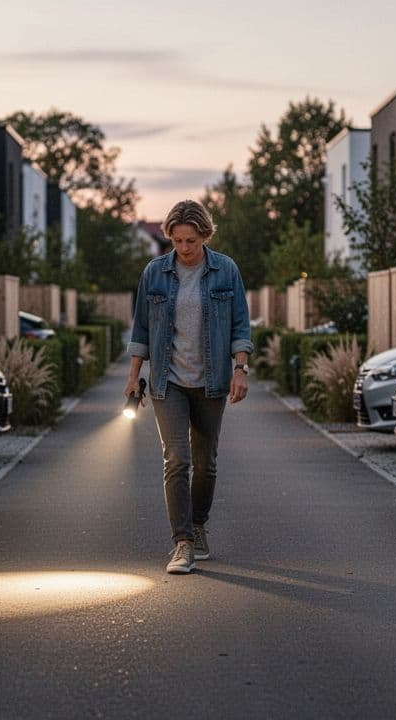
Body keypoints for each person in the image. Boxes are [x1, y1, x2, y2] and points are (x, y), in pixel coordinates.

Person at [126, 199, 253, 575]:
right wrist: (133, 377)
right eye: (177, 241)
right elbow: (141, 331)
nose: (183, 249)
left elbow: (240, 326)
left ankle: (198, 525)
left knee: (206, 463)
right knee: (176, 459)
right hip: (169, 381)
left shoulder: (226, 271)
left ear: (205, 236)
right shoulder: (154, 273)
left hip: (212, 381)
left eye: (191, 241)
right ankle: (182, 542)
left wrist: (240, 368)